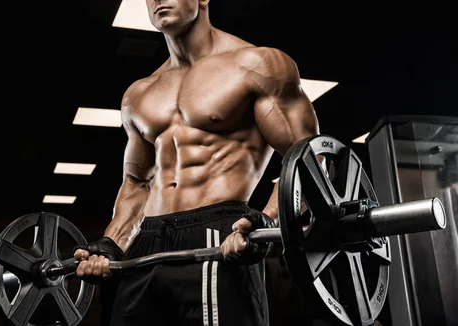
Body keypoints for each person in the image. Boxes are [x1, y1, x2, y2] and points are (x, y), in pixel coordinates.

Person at [74, 0, 319, 325]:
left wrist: (268, 222)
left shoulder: (257, 64)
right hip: (147, 240)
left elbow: (307, 160)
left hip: (218, 232)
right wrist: (111, 244)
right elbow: (137, 182)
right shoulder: (140, 92)